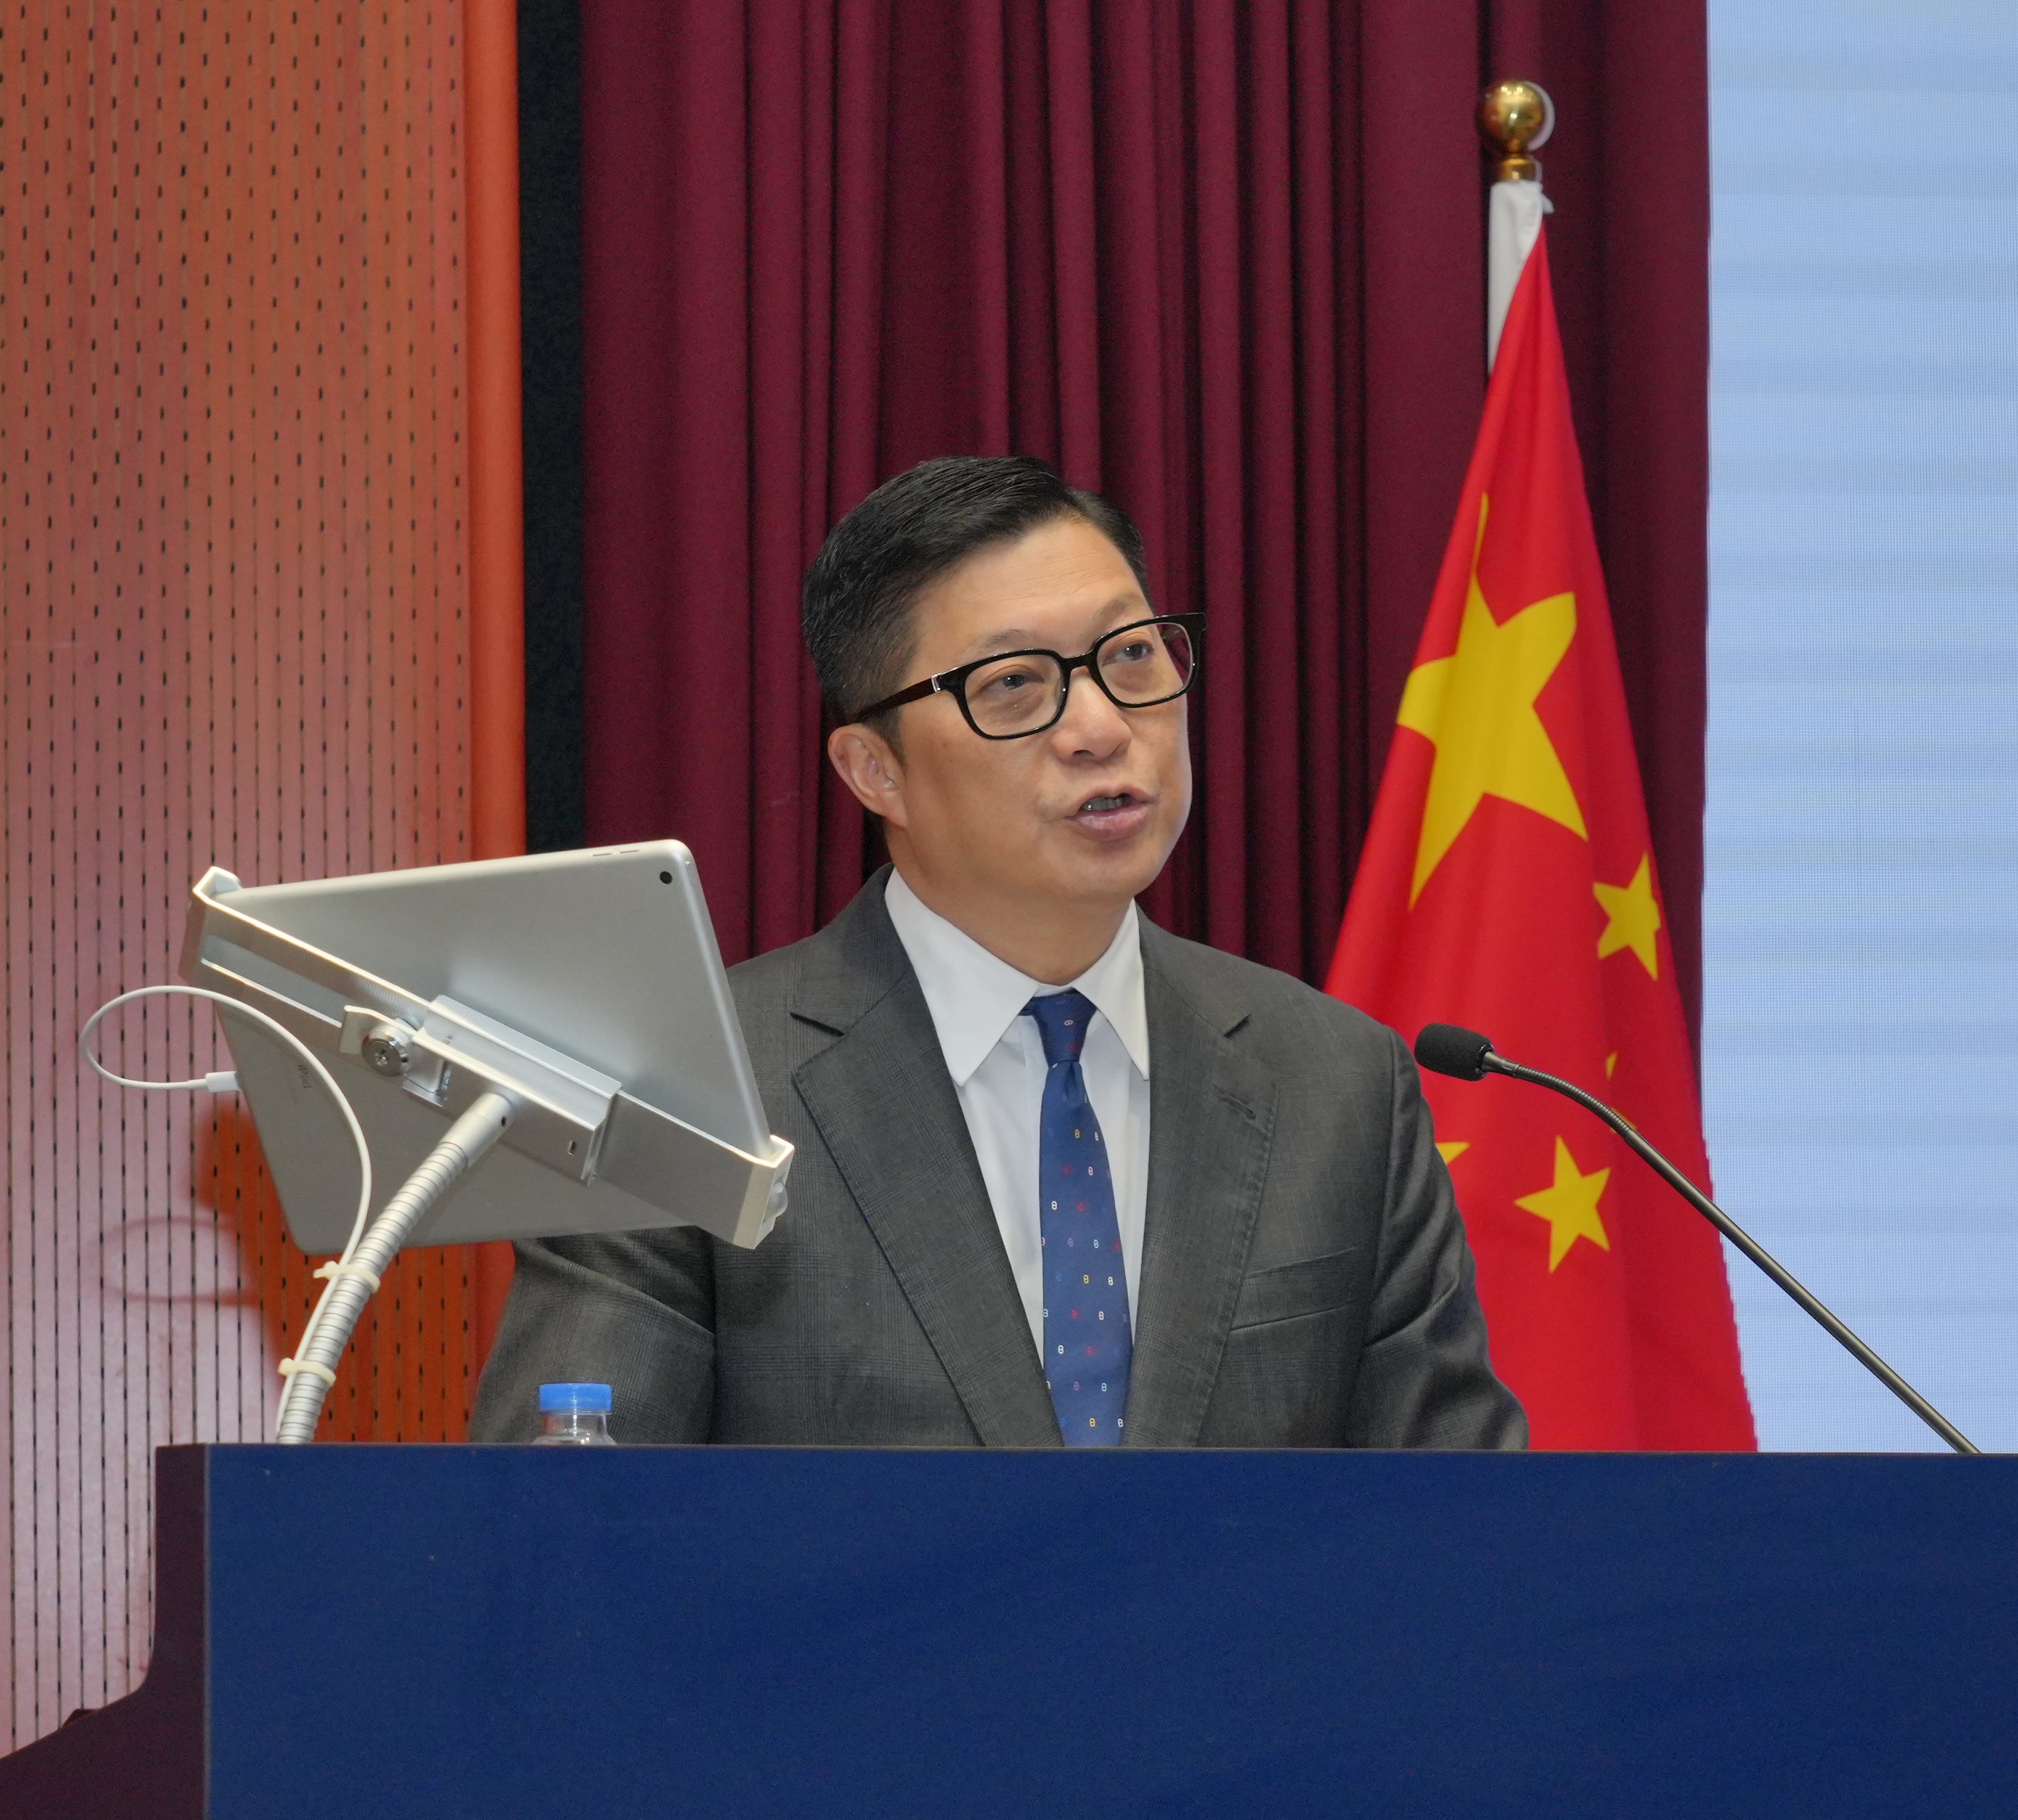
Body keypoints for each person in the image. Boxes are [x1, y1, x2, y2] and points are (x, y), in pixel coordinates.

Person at [472, 454, 1527, 1450]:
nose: (1101, 726)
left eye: (1132, 655)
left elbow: (1461, 1523)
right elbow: (569, 1523)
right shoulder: (686, 1089)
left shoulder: (1338, 1082)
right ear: (875, 771)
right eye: (1016, 682)